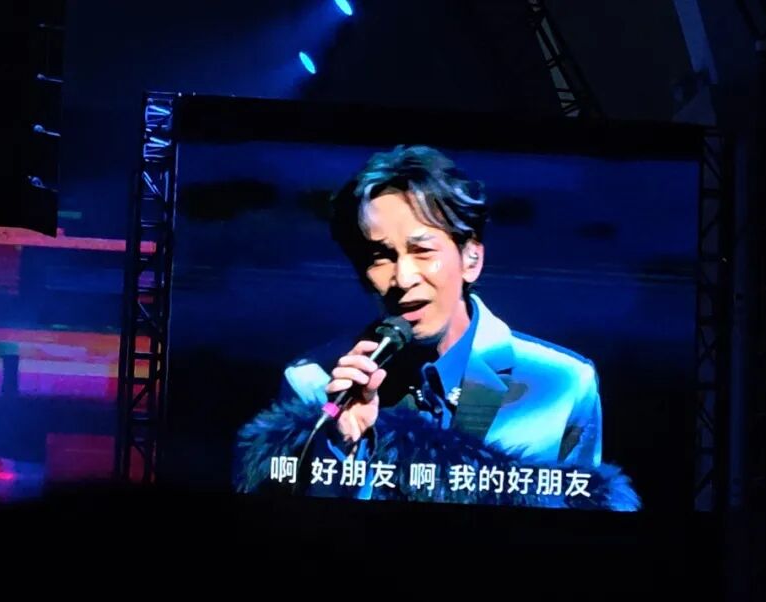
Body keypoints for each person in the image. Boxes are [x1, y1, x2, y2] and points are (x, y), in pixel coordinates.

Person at [234, 145, 638, 510]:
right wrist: (342, 448)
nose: (403, 277)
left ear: (471, 258)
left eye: (422, 250)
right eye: (379, 256)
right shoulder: (314, 383)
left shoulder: (561, 383)